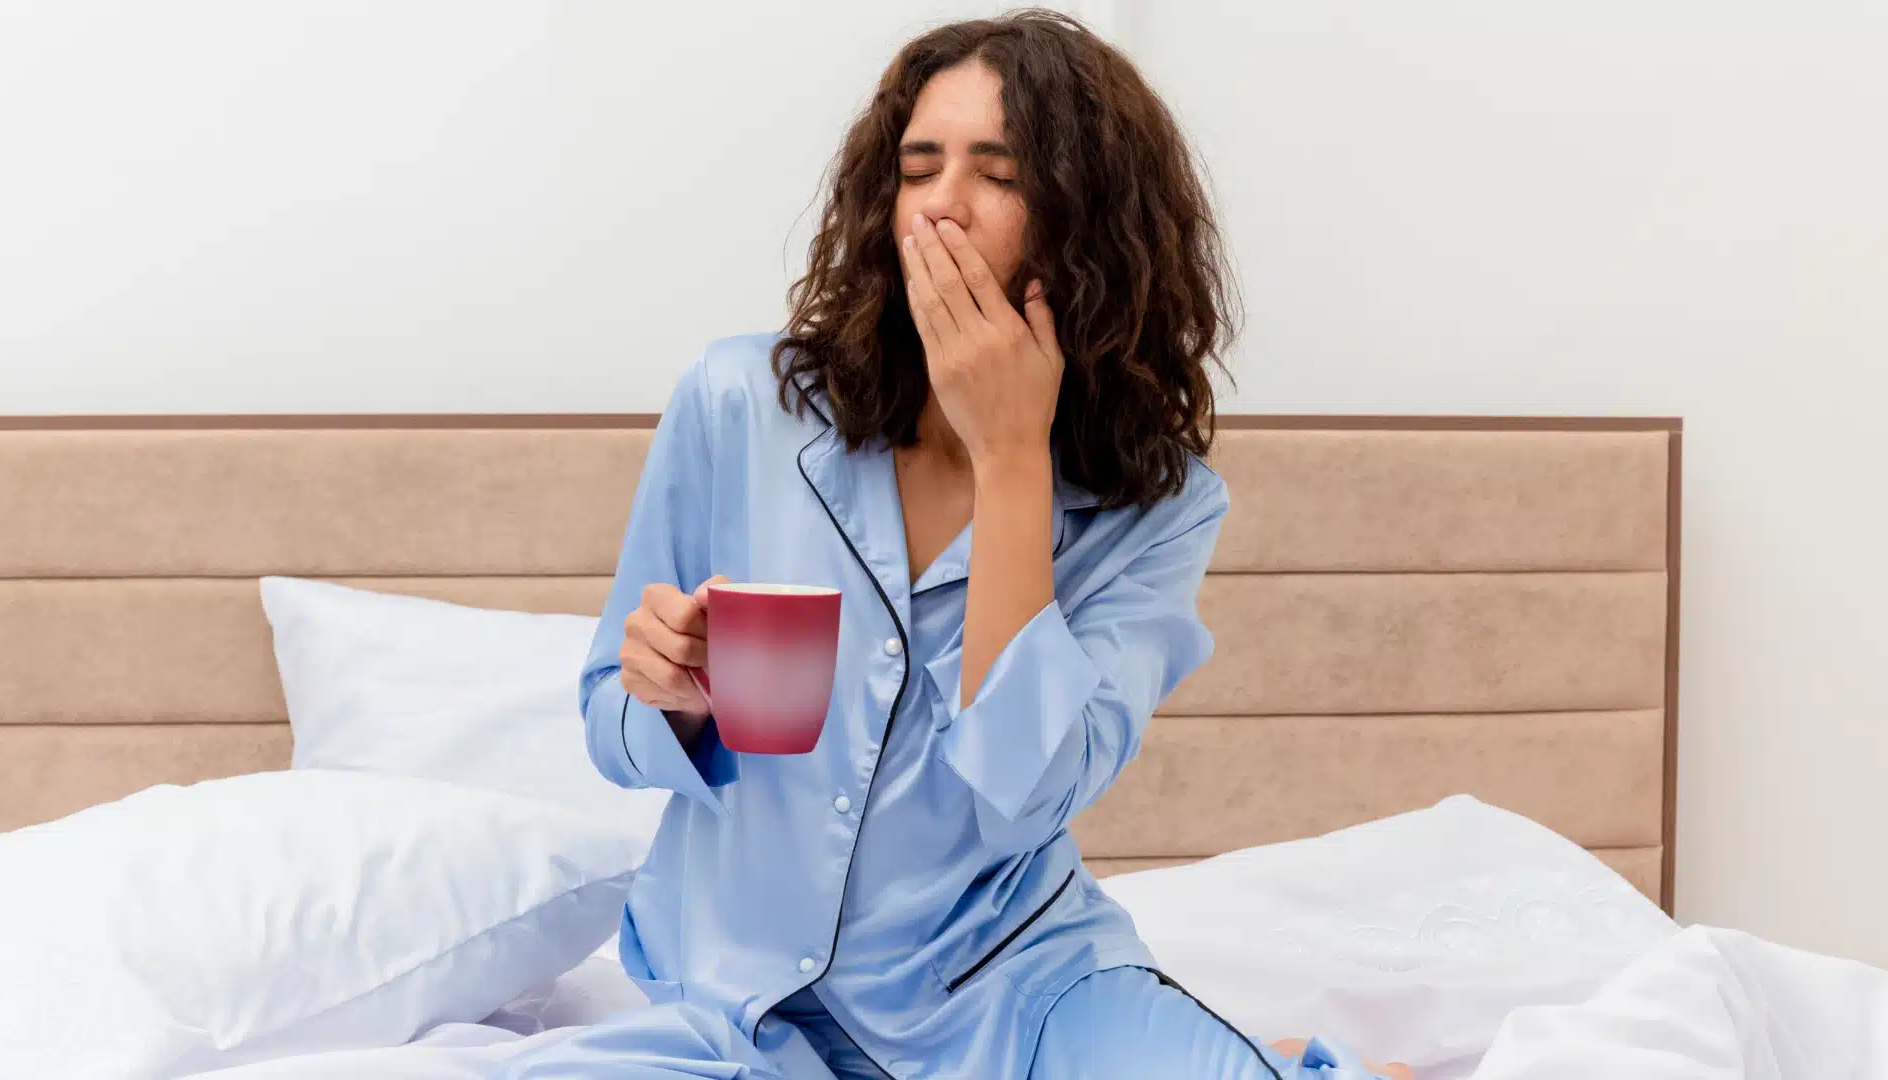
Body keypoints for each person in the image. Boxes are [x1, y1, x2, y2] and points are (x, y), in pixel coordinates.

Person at [495, 11, 1408, 1080]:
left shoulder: (1159, 506)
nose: (941, 202)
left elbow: (1022, 790)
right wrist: (671, 697)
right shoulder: (740, 403)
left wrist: (1012, 452)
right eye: (919, 166)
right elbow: (611, 721)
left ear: (1089, 221)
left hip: (1016, 994)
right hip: (733, 1002)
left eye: (998, 172)